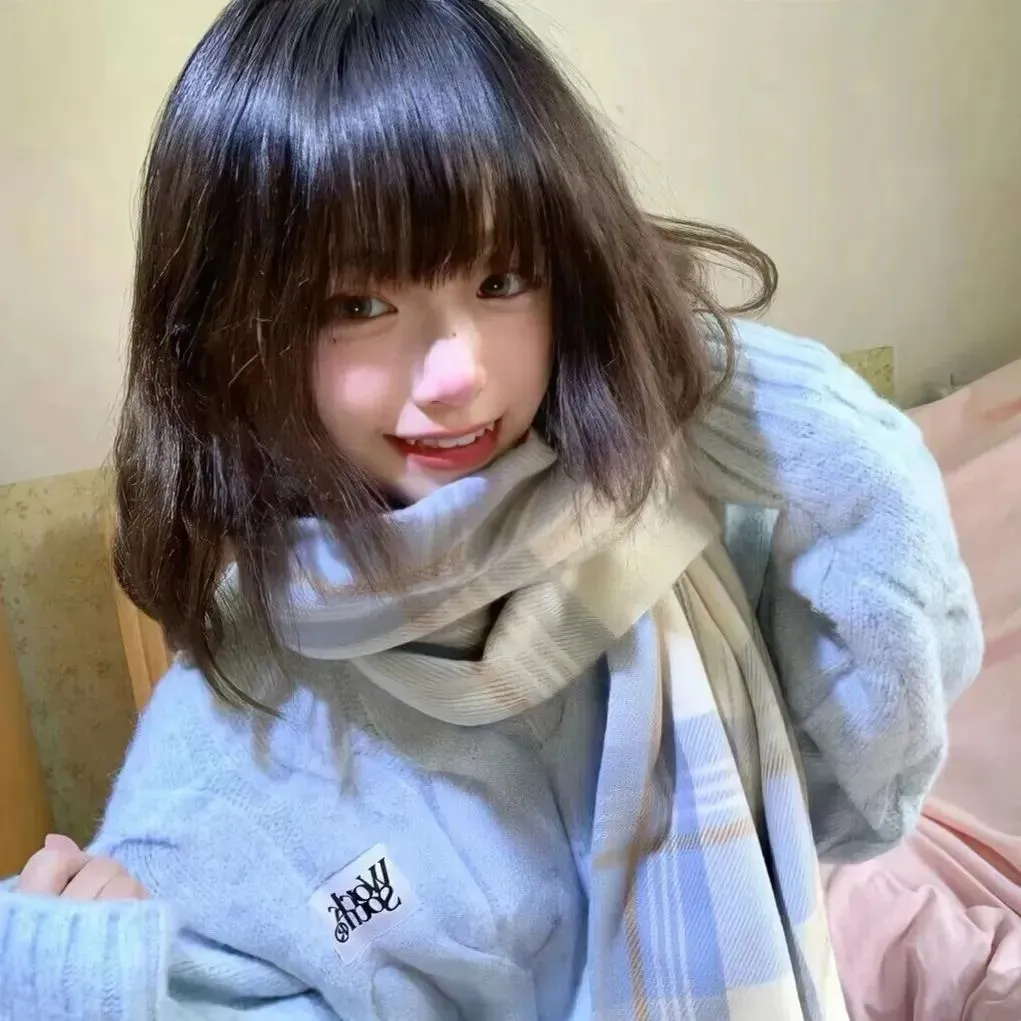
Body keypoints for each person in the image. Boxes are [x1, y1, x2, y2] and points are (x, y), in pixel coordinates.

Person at [0, 1, 982, 1018]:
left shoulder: (673, 518)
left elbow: (858, 805)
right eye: (358, 305)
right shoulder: (233, 753)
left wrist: (793, 421)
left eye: (502, 278)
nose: (458, 374)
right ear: (230, 337)